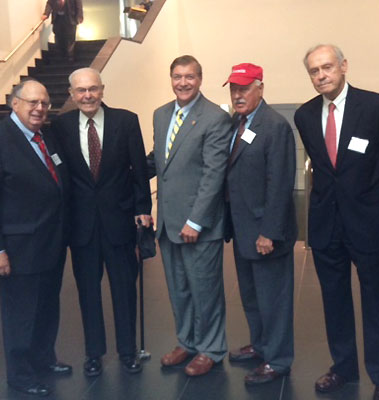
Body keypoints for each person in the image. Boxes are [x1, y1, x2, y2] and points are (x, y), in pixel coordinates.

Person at [294, 44, 379, 400]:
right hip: (327, 224)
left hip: (369, 222)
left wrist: (374, 201)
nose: (321, 75)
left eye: (327, 67)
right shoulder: (305, 115)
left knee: (378, 301)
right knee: (334, 300)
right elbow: (322, 168)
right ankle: (343, 366)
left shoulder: (376, 107)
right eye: (314, 71)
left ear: (343, 66)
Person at [0, 79, 71, 397]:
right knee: (21, 313)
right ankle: (20, 374)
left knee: (47, 306)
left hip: (51, 241)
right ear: (14, 103)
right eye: (32, 102)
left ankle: (43, 358)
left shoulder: (45, 136)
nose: (39, 108)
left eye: (44, 103)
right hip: (18, 247)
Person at [51, 67, 151, 377]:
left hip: (119, 222)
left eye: (93, 89)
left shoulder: (126, 121)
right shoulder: (60, 126)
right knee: (87, 293)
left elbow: (139, 170)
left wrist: (143, 208)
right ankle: (93, 354)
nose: (88, 95)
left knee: (124, 289)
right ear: (72, 94)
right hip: (81, 226)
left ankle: (128, 352)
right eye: (81, 90)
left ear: (102, 89)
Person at [150, 55, 232, 376]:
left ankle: (210, 348)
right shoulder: (160, 115)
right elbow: (162, 162)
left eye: (189, 77)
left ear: (200, 79)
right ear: (171, 78)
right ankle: (187, 342)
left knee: (205, 291)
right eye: (177, 76)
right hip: (167, 223)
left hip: (199, 225)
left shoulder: (215, 118)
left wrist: (195, 220)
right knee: (179, 289)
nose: (183, 82)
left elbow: (214, 174)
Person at [223, 63, 297, 385]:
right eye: (234, 89)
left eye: (244, 88)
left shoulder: (275, 126)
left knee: (273, 300)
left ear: (260, 88)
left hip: (266, 232)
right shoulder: (236, 123)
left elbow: (279, 184)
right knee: (252, 296)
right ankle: (261, 345)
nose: (238, 95)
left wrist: (269, 231)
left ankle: (278, 360)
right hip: (242, 228)